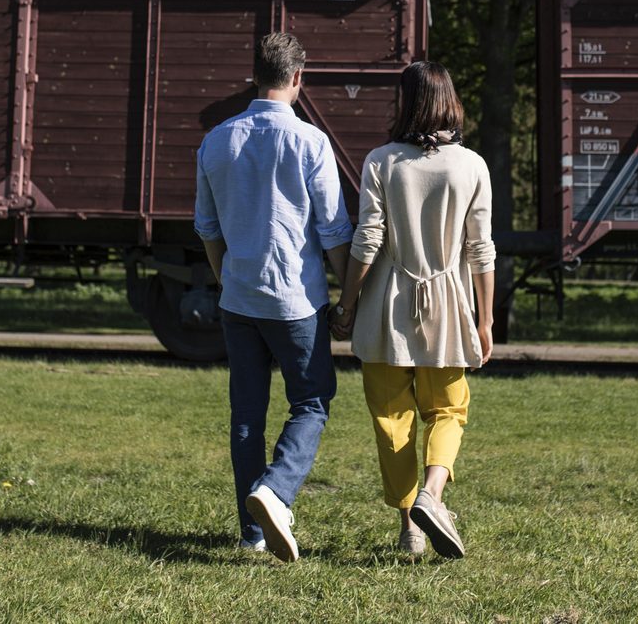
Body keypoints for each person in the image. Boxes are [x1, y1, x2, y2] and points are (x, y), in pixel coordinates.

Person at [194, 31, 353, 563]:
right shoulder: (311, 142)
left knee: (246, 416)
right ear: (298, 79)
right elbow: (333, 232)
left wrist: (225, 280)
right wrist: (346, 298)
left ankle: (252, 533)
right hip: (295, 301)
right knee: (311, 400)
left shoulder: (216, 140)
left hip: (238, 299)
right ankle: (276, 491)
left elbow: (207, 227)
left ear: (255, 76)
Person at [330, 61, 496, 559]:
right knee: (448, 410)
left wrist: (347, 302)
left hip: (385, 308)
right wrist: (485, 320)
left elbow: (368, 240)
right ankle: (433, 495)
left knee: (391, 417)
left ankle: (411, 526)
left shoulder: (381, 161)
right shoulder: (471, 165)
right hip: (448, 306)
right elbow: (480, 250)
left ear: (406, 103)